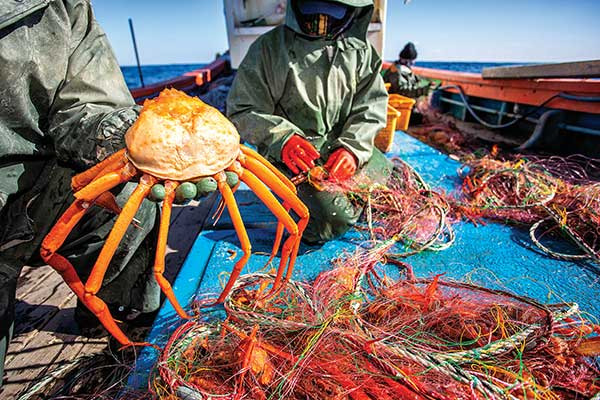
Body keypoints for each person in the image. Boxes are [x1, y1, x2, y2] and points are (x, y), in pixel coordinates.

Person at [0, 0, 160, 385]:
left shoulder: (61, 5)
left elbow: (86, 105)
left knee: (131, 201)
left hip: (38, 182)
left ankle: (119, 315)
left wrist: (128, 134)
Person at [227, 0, 393, 244]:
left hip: (340, 147)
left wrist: (352, 150)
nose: (321, 19)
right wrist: (282, 139)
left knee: (388, 175)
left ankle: (352, 189)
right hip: (292, 158)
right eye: (313, 8)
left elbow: (371, 107)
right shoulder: (269, 49)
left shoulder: (361, 51)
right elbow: (241, 110)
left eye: (333, 12)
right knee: (331, 220)